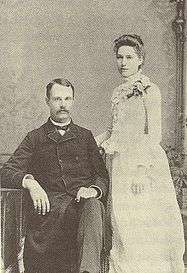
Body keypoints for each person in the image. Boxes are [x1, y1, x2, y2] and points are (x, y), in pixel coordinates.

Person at [95, 34, 185, 273]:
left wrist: (140, 172)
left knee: (140, 224)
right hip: (118, 164)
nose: (123, 62)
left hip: (142, 165)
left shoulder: (149, 89)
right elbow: (112, 130)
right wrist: (88, 141)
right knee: (120, 223)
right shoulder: (117, 92)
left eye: (129, 57)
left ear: (140, 60)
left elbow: (154, 134)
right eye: (119, 57)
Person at [1, 78, 110, 273]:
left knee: (93, 206)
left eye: (67, 99)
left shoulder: (85, 136)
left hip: (82, 212)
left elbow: (102, 176)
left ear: (73, 101)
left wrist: (93, 190)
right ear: (47, 101)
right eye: (57, 99)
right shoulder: (35, 137)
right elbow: (6, 171)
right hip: (48, 217)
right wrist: (30, 183)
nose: (63, 104)